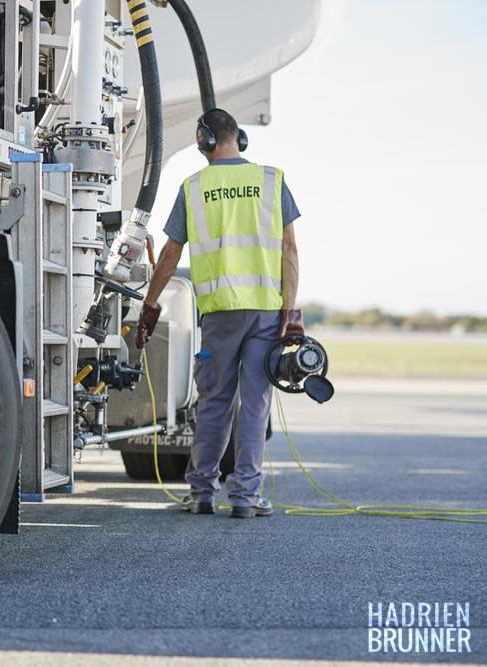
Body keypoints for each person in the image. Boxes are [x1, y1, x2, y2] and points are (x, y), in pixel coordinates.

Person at [134, 108, 303, 518]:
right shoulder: (271, 180)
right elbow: (290, 251)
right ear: (239, 138)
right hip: (265, 311)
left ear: (204, 139)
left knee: (214, 402)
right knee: (256, 402)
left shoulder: (193, 187)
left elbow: (170, 254)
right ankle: (245, 498)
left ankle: (202, 493)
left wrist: (150, 305)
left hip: (218, 314)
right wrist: (290, 310)